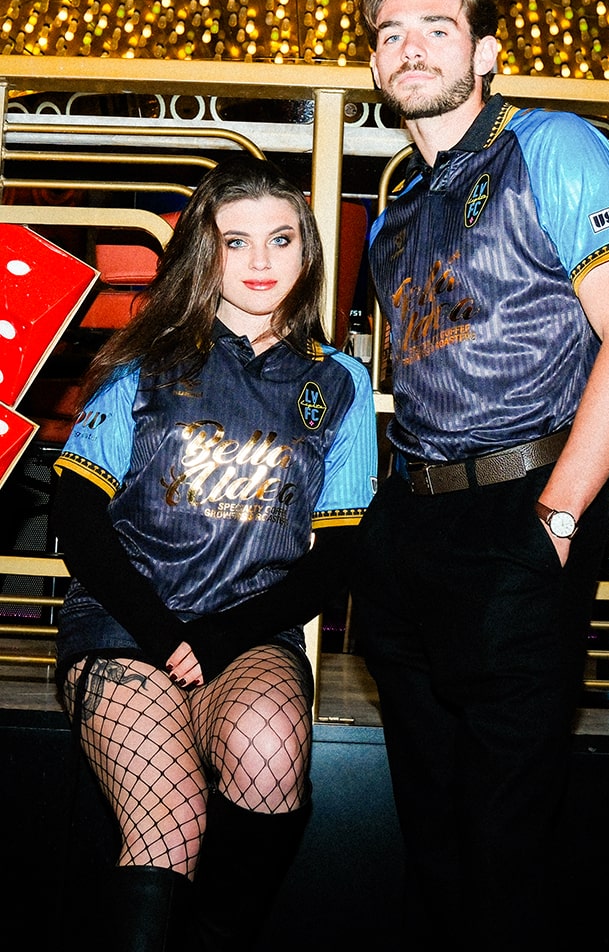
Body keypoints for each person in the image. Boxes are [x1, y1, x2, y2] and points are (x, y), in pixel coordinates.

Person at [350, 0, 609, 950]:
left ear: (485, 52)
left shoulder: (553, 144)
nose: (409, 49)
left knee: (504, 836)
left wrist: (558, 517)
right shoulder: (392, 215)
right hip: (411, 527)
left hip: (524, 509)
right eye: (389, 34)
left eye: (435, 29)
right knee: (433, 832)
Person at [50, 154, 378, 952]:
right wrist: (164, 633)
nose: (261, 261)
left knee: (271, 759)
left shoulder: (340, 382)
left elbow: (338, 555)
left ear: (308, 252)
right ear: (207, 250)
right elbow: (77, 517)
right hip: (126, 625)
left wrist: (224, 635)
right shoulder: (144, 361)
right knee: (171, 825)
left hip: (250, 633)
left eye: (281, 239)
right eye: (237, 241)